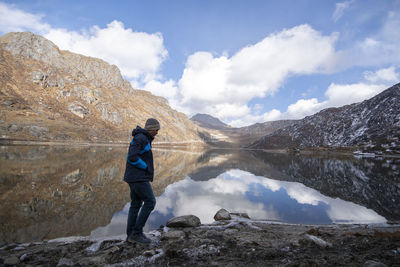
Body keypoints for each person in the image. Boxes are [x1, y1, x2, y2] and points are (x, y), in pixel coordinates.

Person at [123, 118, 160, 244]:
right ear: (150, 128)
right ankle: (137, 233)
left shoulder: (143, 138)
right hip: (138, 177)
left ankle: (131, 235)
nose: (157, 132)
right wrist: (145, 167)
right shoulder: (141, 138)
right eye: (156, 129)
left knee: (136, 203)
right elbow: (132, 157)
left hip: (134, 176)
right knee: (150, 202)